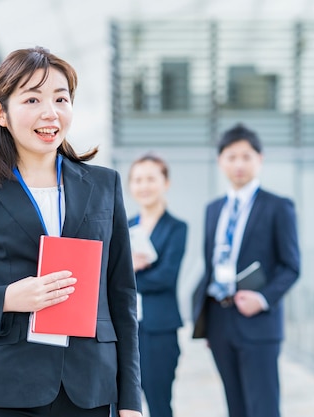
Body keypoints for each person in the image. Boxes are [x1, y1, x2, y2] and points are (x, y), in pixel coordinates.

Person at [0, 46, 143, 417]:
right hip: (7, 390)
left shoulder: (104, 186)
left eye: (60, 98)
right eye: (32, 99)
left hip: (91, 391)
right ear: (1, 113)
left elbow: (121, 296)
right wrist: (6, 298)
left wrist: (130, 399)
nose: (50, 113)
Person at [191, 123, 300, 417]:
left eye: (246, 156)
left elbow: (291, 267)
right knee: (235, 407)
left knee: (263, 408)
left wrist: (262, 298)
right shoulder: (213, 209)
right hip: (219, 319)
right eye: (231, 156)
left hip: (258, 322)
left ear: (259, 159)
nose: (239, 164)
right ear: (220, 161)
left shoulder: (279, 207)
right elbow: (212, 263)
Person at [127, 153, 187, 417]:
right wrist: (131, 267)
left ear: (166, 183)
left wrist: (127, 272)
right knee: (125, 405)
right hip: (126, 329)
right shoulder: (122, 226)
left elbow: (166, 277)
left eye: (151, 178)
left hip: (159, 330)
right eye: (138, 180)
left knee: (159, 404)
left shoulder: (176, 228)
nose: (144, 186)